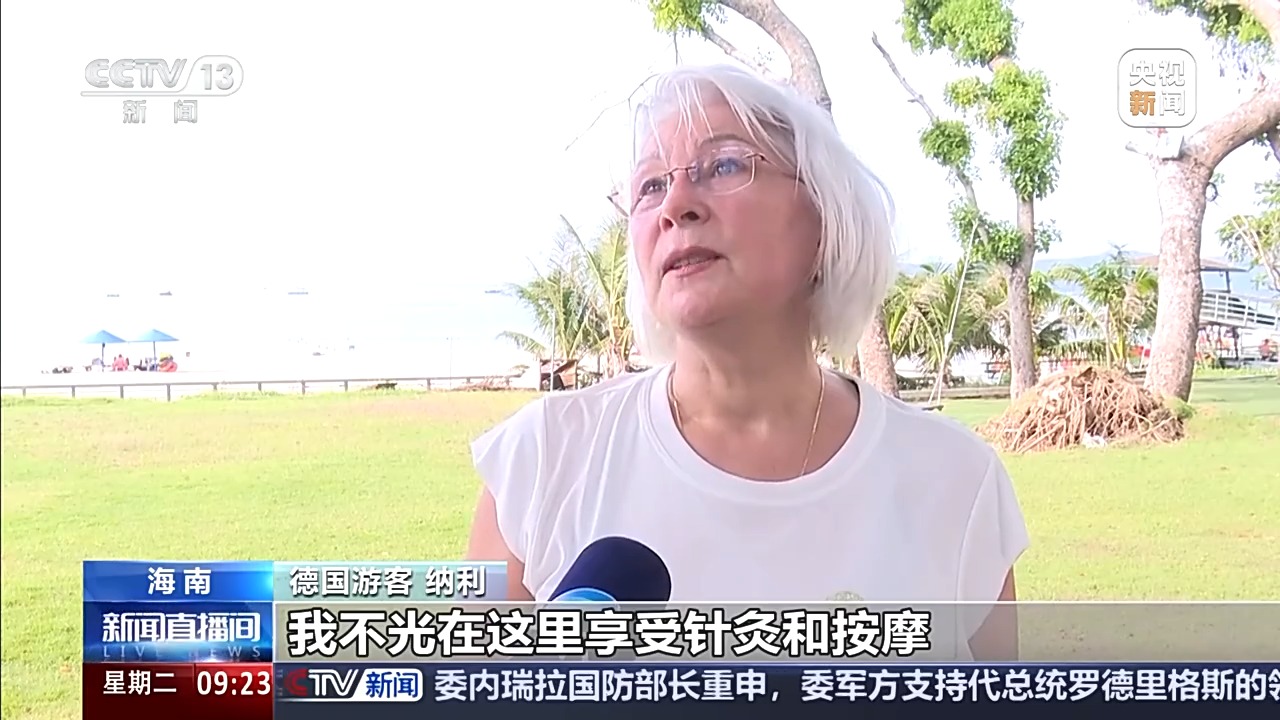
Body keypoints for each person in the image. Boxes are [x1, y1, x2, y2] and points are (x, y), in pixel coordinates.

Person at [467, 64, 1028, 660]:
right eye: (650, 186)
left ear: (823, 219)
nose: (675, 205)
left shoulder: (955, 481)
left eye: (724, 165)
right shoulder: (542, 460)